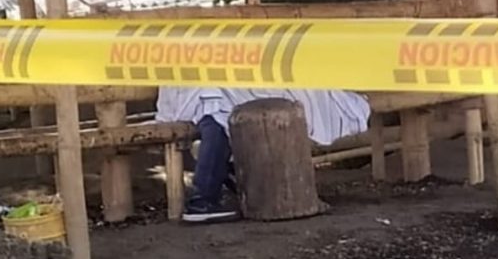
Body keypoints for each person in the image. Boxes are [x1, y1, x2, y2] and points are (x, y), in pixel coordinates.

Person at [156, 87, 370, 223]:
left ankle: (228, 181)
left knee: (219, 107)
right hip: (195, 86)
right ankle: (202, 199)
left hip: (194, 85)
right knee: (215, 111)